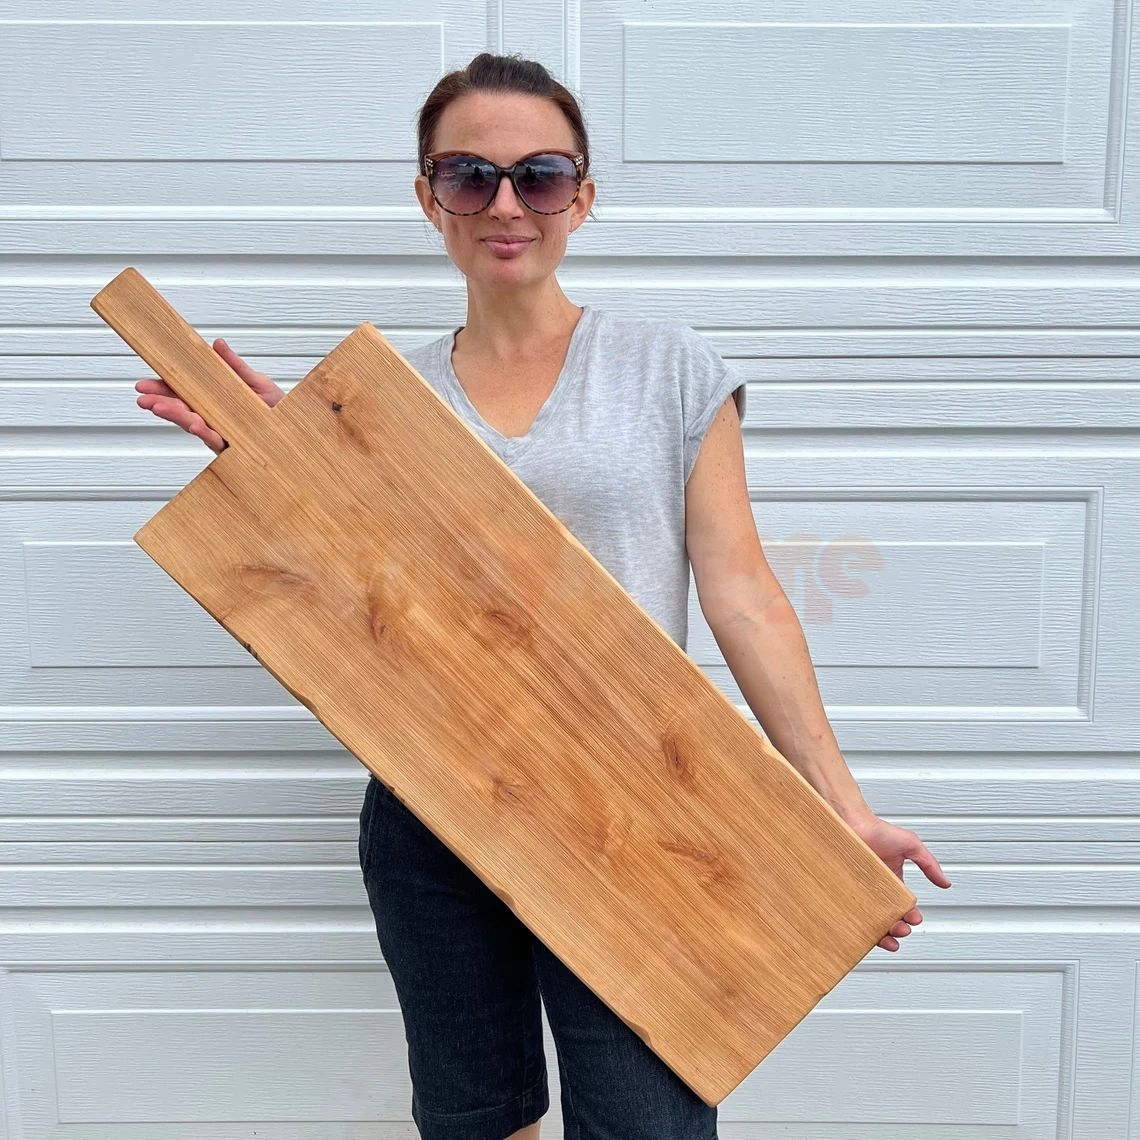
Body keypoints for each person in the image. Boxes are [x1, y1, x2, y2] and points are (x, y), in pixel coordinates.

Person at [135, 50, 951, 1140]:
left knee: (646, 1122)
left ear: (584, 196)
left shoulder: (666, 370)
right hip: (432, 810)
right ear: (429, 198)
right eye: (469, 176)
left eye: (541, 175)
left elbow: (745, 594)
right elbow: (374, 609)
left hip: (641, 810)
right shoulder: (383, 399)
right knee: (476, 1120)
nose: (507, 205)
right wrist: (289, 473)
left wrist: (841, 811)